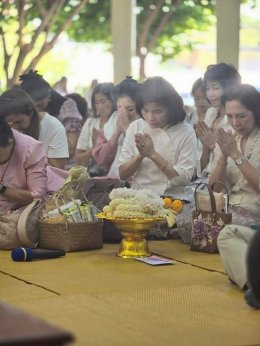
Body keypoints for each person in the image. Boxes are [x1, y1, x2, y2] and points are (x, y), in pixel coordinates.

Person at [118, 76, 197, 200]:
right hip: (139, 197)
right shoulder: (136, 127)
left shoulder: (185, 132)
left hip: (173, 199)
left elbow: (184, 179)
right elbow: (122, 174)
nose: (150, 117)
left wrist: (153, 155)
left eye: (157, 111)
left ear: (171, 108)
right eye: (145, 111)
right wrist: (139, 156)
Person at [209, 84, 260, 221]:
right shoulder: (230, 138)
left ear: (255, 112)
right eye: (230, 117)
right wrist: (223, 157)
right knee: (189, 221)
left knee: (223, 230)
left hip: (255, 211)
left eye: (241, 116)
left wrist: (236, 156)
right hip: (229, 208)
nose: (235, 123)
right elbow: (216, 189)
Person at [19, 70, 82, 159]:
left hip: (64, 165)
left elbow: (70, 148)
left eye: (39, 105)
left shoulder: (67, 107)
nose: (37, 111)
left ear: (49, 95)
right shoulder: (22, 111)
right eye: (32, 107)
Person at [0, 88, 69, 170]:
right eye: (9, 123)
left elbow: (57, 169)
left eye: (19, 121)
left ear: (31, 112)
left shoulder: (53, 127)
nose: (14, 127)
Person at [195, 63, 241, 179]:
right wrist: (206, 146)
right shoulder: (210, 113)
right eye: (208, 88)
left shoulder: (237, 119)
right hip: (206, 181)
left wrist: (213, 145)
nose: (210, 93)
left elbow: (236, 162)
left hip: (227, 183)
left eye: (215, 88)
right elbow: (201, 168)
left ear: (229, 87)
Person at [92, 76, 140, 177]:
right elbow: (101, 161)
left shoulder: (145, 123)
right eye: (120, 108)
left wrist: (127, 130)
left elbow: (143, 153)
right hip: (115, 177)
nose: (124, 114)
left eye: (130, 109)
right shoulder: (111, 123)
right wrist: (117, 132)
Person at [0, 119, 47, 213]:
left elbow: (37, 197)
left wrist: (2, 189)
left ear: (10, 143)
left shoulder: (31, 149)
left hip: (21, 210)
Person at [75, 82, 116, 176]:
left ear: (113, 100)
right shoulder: (90, 123)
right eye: (96, 103)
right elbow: (78, 158)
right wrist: (94, 151)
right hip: (93, 175)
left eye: (103, 101)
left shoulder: (118, 121)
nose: (100, 107)